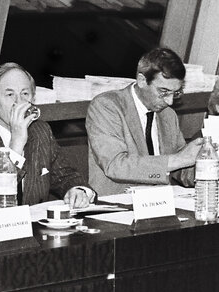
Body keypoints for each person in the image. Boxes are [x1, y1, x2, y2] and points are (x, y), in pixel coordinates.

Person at [0, 63, 95, 213]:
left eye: (24, 94)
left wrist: (77, 190)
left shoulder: (40, 130)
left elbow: (64, 174)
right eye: (10, 94)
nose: (19, 102)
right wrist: (16, 144)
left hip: (35, 227)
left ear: (33, 98)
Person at [86, 46, 203, 196]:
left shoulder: (168, 115)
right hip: (118, 208)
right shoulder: (107, 106)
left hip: (159, 205)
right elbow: (115, 165)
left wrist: (209, 161)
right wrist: (179, 160)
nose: (170, 101)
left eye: (176, 93)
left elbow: (180, 171)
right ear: (142, 80)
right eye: (164, 92)